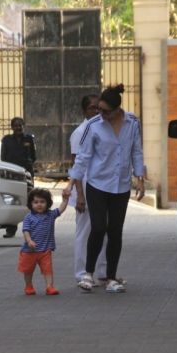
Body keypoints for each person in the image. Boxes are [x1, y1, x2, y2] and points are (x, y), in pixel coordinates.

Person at [69, 84, 145, 293]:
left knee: (115, 231)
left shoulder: (132, 122)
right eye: (98, 109)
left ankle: (111, 277)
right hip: (97, 183)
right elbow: (82, 157)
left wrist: (140, 178)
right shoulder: (93, 126)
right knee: (98, 227)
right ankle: (88, 274)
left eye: (105, 111)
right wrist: (71, 185)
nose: (100, 114)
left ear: (117, 109)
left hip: (120, 185)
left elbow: (136, 151)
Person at [70, 94, 108, 284]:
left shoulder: (102, 128)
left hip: (100, 186)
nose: (96, 111)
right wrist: (80, 196)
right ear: (85, 110)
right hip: (84, 187)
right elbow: (76, 165)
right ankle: (81, 273)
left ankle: (102, 271)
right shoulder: (81, 132)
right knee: (85, 231)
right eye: (93, 108)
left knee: (101, 230)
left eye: (99, 108)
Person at [18, 187, 70, 296]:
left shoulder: (50, 215)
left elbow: (60, 209)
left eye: (42, 202)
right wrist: (29, 241)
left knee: (48, 269)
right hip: (29, 250)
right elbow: (25, 230)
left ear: (48, 203)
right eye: (36, 202)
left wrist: (65, 200)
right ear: (31, 204)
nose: (39, 204)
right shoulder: (28, 217)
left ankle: (49, 287)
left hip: (45, 250)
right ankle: (28, 286)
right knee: (28, 270)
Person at [1, 117, 37, 238]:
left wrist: (28, 164)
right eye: (15, 125)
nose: (18, 127)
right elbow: (3, 158)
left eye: (20, 125)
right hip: (12, 174)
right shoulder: (6, 140)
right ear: (12, 127)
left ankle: (32, 228)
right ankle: (10, 229)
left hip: (26, 173)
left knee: (31, 200)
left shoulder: (29, 139)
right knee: (12, 201)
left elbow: (33, 156)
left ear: (23, 126)